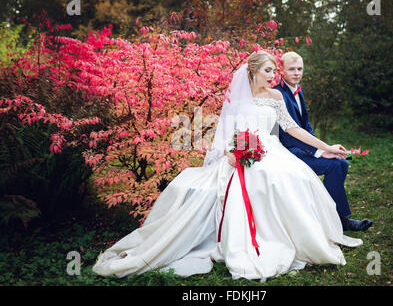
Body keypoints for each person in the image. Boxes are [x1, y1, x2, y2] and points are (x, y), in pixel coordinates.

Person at [92, 51, 363, 282]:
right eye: (268, 71)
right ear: (254, 72)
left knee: (290, 177)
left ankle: (300, 238)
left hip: (272, 150)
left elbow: (292, 129)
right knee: (260, 178)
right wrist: (229, 153)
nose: (273, 76)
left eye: (273, 71)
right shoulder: (236, 99)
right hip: (242, 152)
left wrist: (326, 147)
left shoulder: (276, 98)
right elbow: (225, 133)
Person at [273, 51, 373, 232]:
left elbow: (306, 125)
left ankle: (327, 214)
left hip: (301, 147)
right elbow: (289, 135)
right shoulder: (278, 94)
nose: (297, 73)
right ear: (281, 70)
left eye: (300, 69)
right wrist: (319, 152)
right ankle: (341, 221)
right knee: (333, 166)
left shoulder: (297, 90)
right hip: (287, 151)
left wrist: (322, 147)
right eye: (292, 69)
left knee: (342, 163)